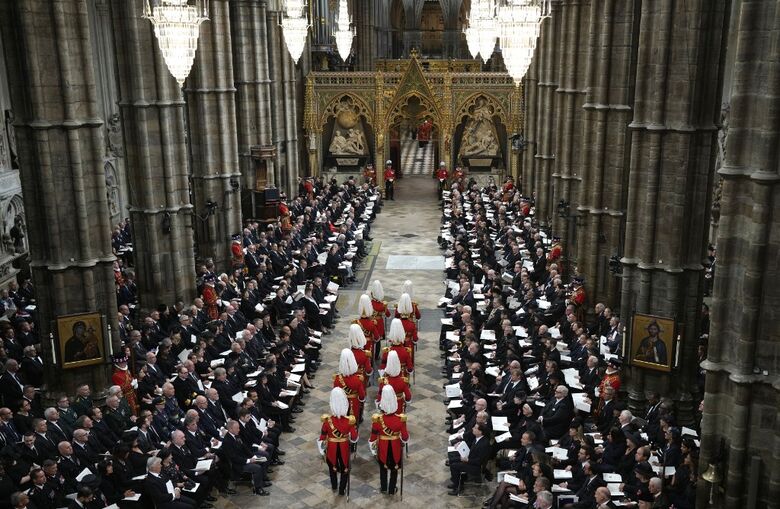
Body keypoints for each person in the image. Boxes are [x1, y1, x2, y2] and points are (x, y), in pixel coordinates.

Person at [369, 385, 409, 495]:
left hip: (382, 446)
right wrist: (402, 441)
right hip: (395, 447)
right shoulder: (401, 419)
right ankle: (392, 489)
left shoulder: (377, 420)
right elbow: (405, 437)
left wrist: (374, 450)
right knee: (394, 470)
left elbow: (372, 438)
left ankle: (383, 487)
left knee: (383, 468)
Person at [318, 388, 358, 496]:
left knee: (332, 467)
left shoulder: (327, 421)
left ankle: (334, 485)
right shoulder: (349, 421)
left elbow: (322, 437)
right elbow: (354, 438)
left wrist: (322, 450)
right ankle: (342, 490)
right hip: (344, 447)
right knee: (345, 468)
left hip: (331, 447)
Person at [447, 422, 491, 495]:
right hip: (470, 458)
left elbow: (479, 461)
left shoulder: (484, 444)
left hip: (476, 466)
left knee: (454, 466)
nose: (472, 429)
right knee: (452, 460)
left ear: (480, 432)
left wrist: (467, 460)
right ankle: (456, 481)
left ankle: (458, 487)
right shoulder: (477, 438)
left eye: (475, 428)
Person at [333, 349, 365, 422]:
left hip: (341, 403)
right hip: (354, 403)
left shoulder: (337, 379)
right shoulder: (358, 379)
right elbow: (362, 396)